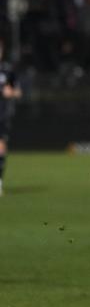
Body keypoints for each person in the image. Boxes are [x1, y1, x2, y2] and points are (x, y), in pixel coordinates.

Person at [0, 38, 22, 197]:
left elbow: (18, 92)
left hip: (2, 115)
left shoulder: (7, 70)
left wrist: (11, 92)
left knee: (1, 148)